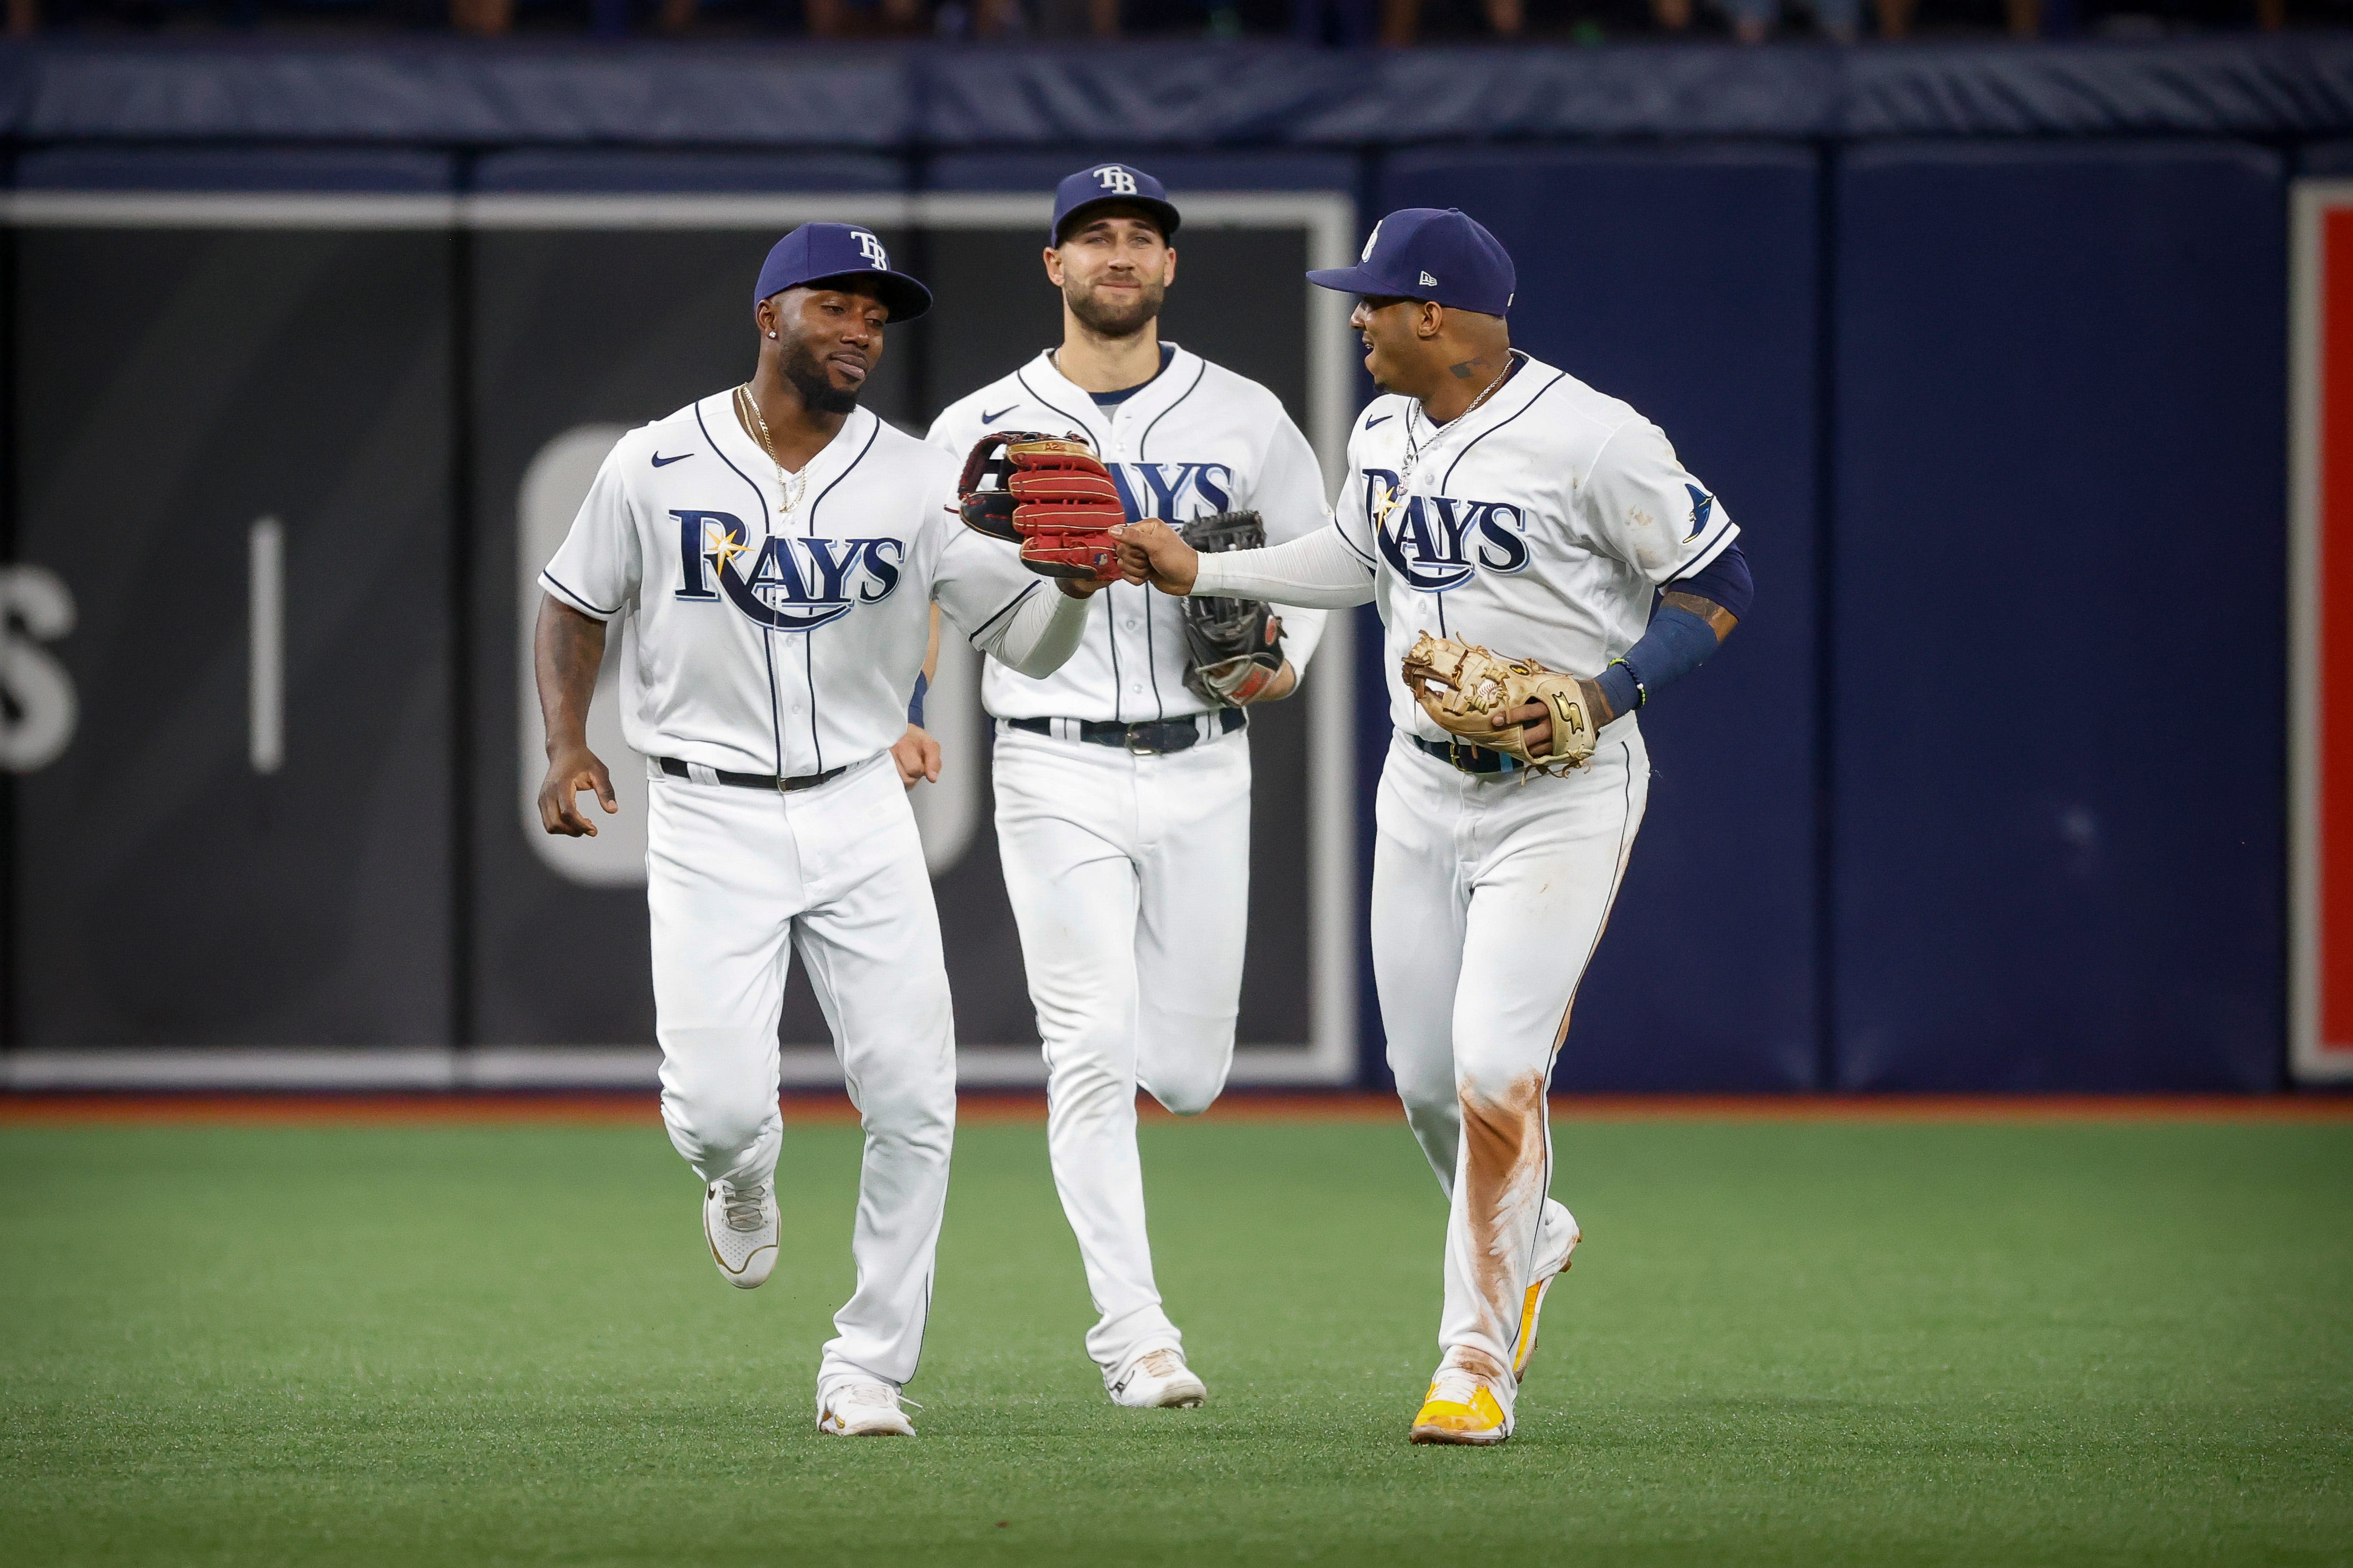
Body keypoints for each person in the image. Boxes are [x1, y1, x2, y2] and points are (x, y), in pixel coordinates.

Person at [1113, 207, 1754, 1446]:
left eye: (1369, 301)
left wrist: (1600, 690)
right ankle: (1536, 1229)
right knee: (1422, 1086)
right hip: (1420, 787)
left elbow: (1720, 584)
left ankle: (1474, 1360)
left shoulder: (1597, 439)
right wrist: (1202, 569)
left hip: (1560, 792)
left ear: (1434, 314)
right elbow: (1356, 557)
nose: (1352, 318)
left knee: (1496, 1068)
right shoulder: (1384, 424)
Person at [531, 222, 1102, 1439]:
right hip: (704, 809)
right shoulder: (655, 460)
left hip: (858, 803)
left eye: (875, 317)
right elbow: (575, 600)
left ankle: (868, 1366)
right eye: (835, 306)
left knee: (914, 1099)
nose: (859, 331)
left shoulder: (914, 477)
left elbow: (1027, 641)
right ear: (768, 315)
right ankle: (740, 1173)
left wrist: (1069, 584)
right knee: (719, 1113)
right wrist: (567, 741)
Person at [923, 162, 1333, 1409]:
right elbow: (921, 584)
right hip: (1051, 759)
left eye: (1140, 238)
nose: (1118, 254)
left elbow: (1316, 555)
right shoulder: (979, 421)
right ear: (1053, 265)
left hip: (1206, 757)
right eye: (1092, 237)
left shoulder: (1247, 414)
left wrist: (1280, 665)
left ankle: (1140, 1294)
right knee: (1088, 1046)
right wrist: (900, 710)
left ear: (1169, 267)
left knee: (1193, 1075)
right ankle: (1136, 1335)